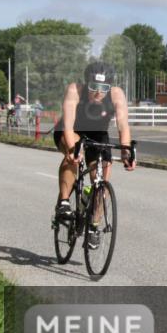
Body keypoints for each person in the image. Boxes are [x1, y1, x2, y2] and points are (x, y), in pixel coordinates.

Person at [53, 62, 136, 220]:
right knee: (74, 154)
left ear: (109, 87)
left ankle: (94, 225)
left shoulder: (117, 94)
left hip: (98, 134)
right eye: (93, 87)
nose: (98, 93)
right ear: (86, 84)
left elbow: (123, 127)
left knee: (101, 182)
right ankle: (63, 203)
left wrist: (126, 152)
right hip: (72, 131)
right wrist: (73, 150)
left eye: (104, 88)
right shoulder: (75, 90)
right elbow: (68, 126)